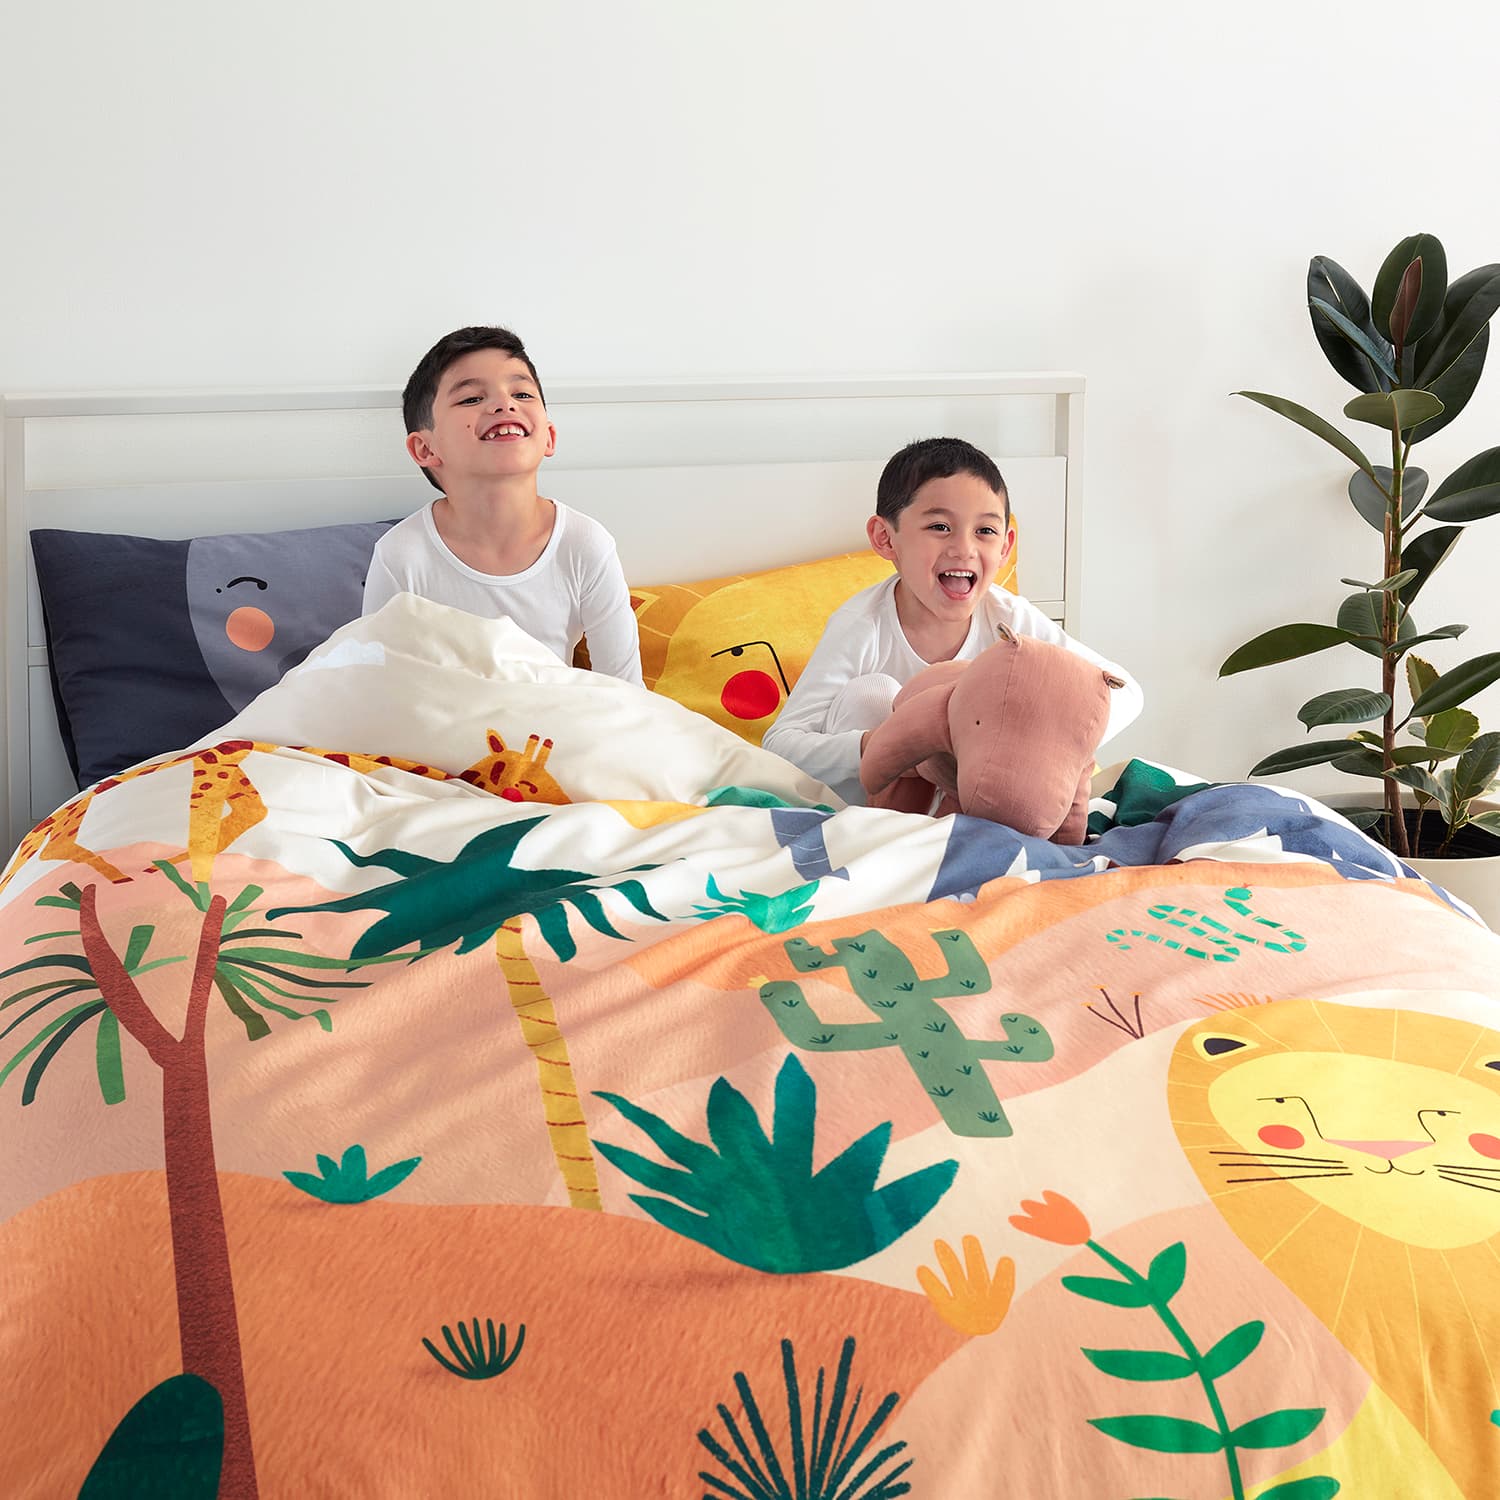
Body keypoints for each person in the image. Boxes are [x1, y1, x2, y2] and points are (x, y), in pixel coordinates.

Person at [762, 437, 1142, 805]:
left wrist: (1054, 746)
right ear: (885, 538)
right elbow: (780, 746)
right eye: (940, 527)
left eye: (985, 531)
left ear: (1005, 546)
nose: (964, 549)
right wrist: (882, 744)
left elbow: (1124, 690)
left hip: (974, 796)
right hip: (875, 803)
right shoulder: (860, 626)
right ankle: (890, 825)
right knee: (873, 693)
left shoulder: (1010, 619)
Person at [363, 326, 643, 684]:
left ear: (549, 436)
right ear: (425, 449)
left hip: (551, 717)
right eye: (471, 399)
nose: (504, 404)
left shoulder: (584, 545)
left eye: (522, 393)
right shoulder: (401, 556)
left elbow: (626, 692)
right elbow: (378, 688)